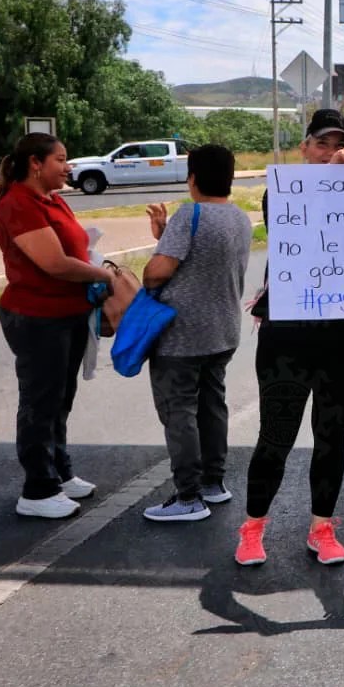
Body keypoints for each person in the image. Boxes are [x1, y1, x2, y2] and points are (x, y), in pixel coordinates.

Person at [236, 109, 344, 565]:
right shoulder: (284, 191)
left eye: (340, 145)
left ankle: (322, 527)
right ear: (304, 148)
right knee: (276, 434)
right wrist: (328, 181)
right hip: (287, 336)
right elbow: (290, 227)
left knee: (331, 435)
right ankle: (253, 528)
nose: (331, 153)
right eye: (322, 144)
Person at [0, 133, 115, 519]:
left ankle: (59, 473)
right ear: (35, 163)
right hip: (37, 317)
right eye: (61, 160)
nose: (68, 167)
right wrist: (105, 275)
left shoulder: (53, 198)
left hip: (67, 313)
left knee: (60, 399)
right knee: (40, 403)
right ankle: (37, 490)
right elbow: (55, 263)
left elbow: (72, 247)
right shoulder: (19, 204)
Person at [142, 145, 252, 522]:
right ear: (230, 177)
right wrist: (165, 233)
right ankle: (212, 483)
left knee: (179, 411)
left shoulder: (191, 212)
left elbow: (158, 271)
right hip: (223, 331)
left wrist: (159, 245)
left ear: (192, 178)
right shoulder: (239, 217)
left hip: (182, 335)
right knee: (211, 405)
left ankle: (187, 497)